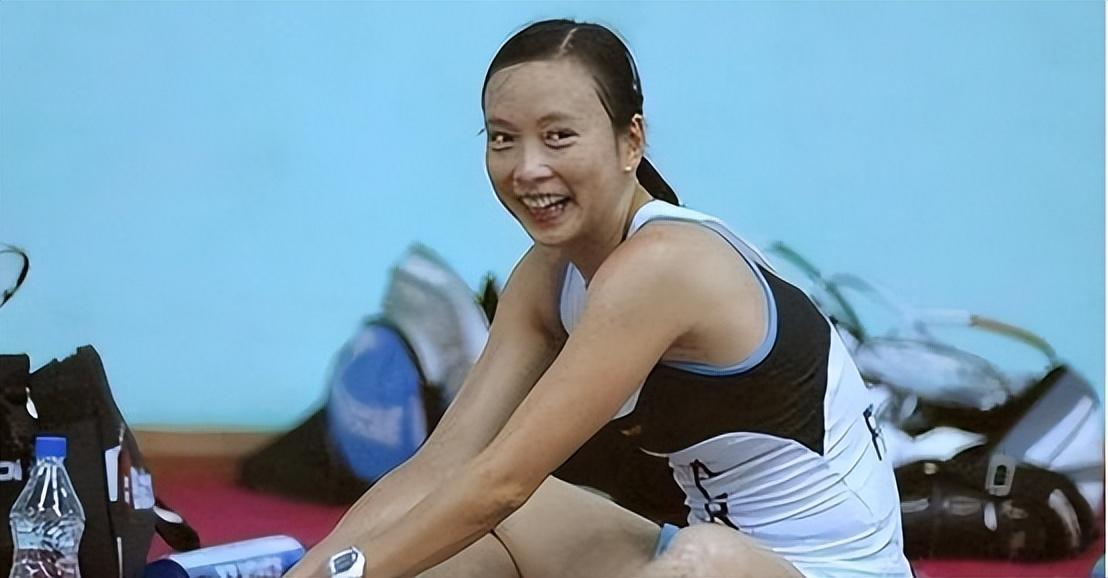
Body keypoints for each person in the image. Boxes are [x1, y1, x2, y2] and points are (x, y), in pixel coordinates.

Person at [287, 18, 912, 578]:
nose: (527, 167)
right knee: (451, 533)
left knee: (697, 557)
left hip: (800, 569)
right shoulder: (547, 276)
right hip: (698, 552)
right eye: (502, 138)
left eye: (558, 136)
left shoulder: (663, 265)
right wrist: (317, 568)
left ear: (630, 142)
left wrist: (350, 576)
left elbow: (503, 482)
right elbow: (442, 466)